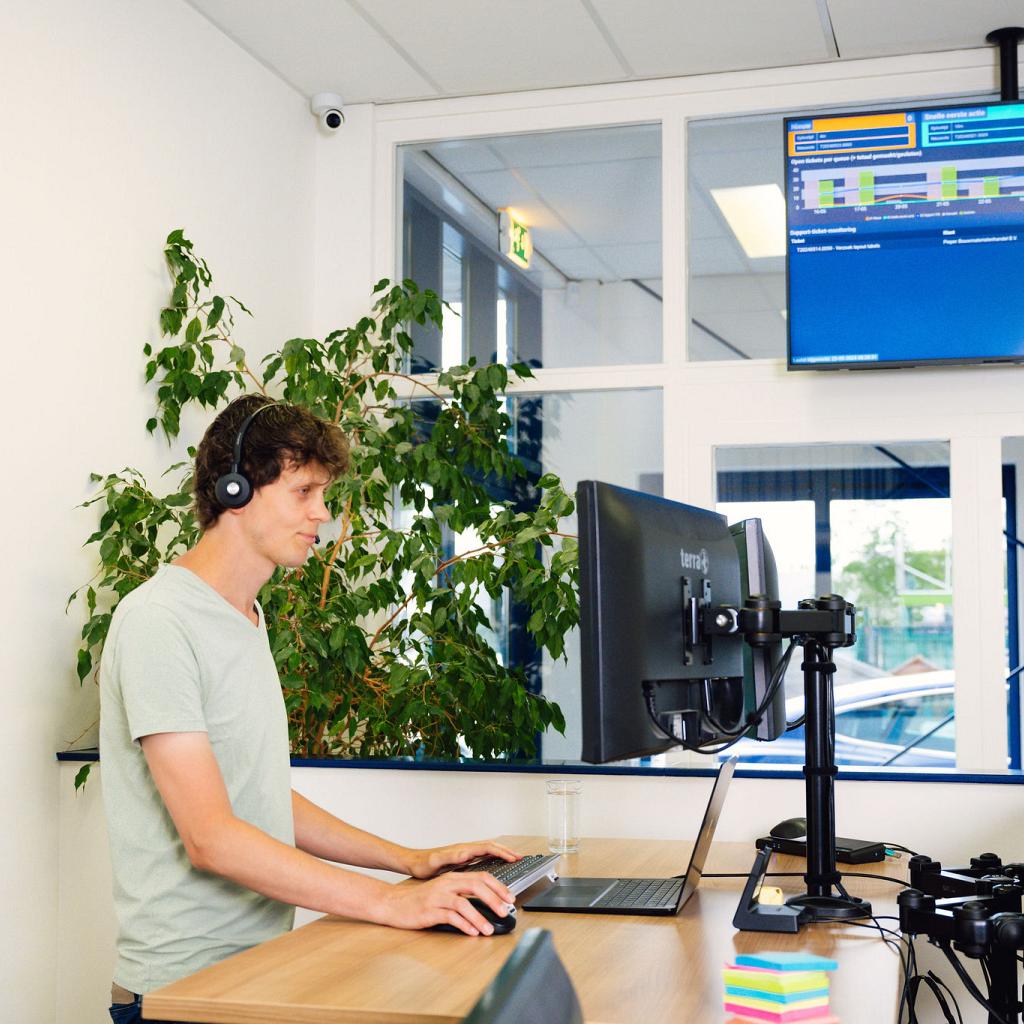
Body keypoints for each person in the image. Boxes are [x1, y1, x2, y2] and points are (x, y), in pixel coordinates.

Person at [100, 395, 519, 1023]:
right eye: (303, 492)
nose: (322, 514)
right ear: (236, 490)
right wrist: (390, 902)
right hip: (186, 992)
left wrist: (409, 862)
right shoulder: (159, 622)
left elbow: (259, 799)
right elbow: (212, 838)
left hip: (262, 969)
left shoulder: (244, 617)